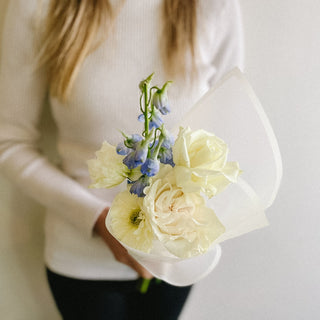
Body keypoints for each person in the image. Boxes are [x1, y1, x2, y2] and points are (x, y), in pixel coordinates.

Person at [0, 0, 244, 319]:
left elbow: (226, 133)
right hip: (81, 264)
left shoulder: (211, 6)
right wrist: (98, 220)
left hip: (173, 261)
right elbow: (10, 141)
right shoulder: (39, 7)